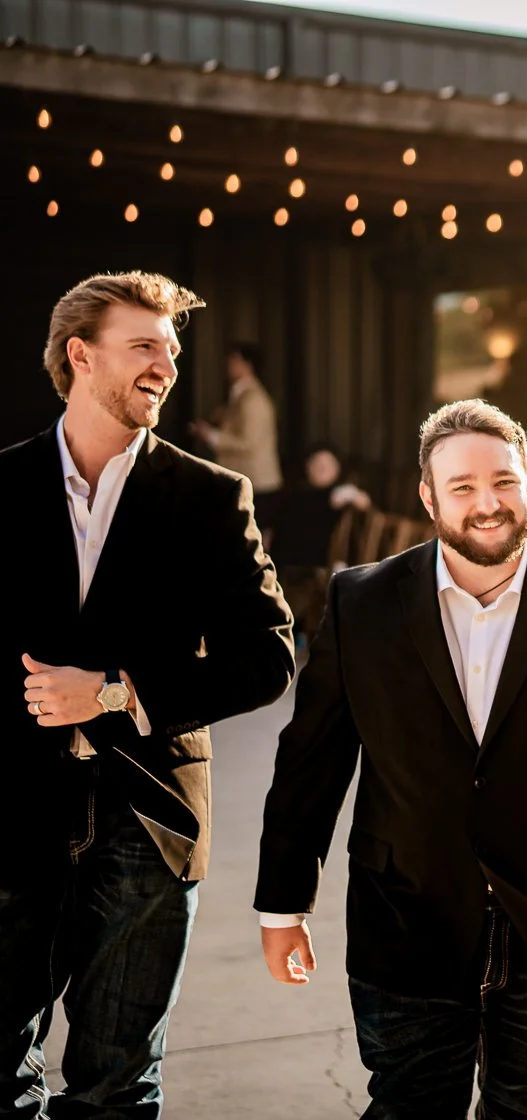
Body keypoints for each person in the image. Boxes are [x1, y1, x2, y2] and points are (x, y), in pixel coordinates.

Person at [254, 399, 527, 1119]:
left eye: (504, 482)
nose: (488, 504)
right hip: (403, 915)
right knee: (410, 1104)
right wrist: (282, 904)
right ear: (428, 497)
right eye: (463, 487)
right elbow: (311, 761)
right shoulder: (362, 601)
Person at [2, 272, 295, 1117]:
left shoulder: (211, 497)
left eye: (170, 350)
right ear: (80, 356)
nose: (165, 366)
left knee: (117, 1087)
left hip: (150, 819)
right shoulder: (3, 485)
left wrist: (113, 692)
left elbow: (268, 655)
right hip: (11, 812)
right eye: (143, 347)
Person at [268, 444, 372, 649]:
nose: (321, 469)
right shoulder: (295, 493)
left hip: (319, 561)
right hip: (286, 559)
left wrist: (351, 494)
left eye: (327, 465)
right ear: (307, 466)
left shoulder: (339, 495)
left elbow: (366, 506)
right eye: (316, 464)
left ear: (337, 469)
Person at [190, 341, 283, 503]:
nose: (228, 363)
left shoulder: (254, 399)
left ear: (248, 364)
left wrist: (210, 435)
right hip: (245, 480)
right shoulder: (239, 395)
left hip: (257, 482)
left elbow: (249, 442)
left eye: (234, 359)